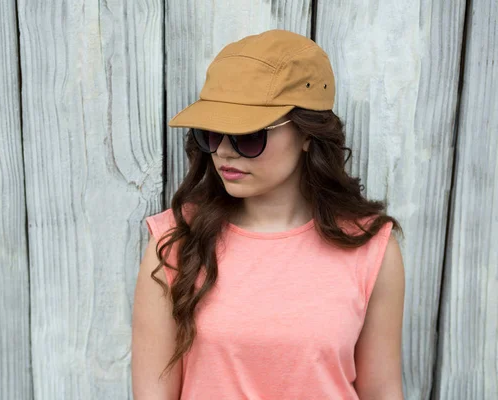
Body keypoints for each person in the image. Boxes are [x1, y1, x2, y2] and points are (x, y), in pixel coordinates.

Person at [132, 29, 405, 400]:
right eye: (211, 133)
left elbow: (382, 390)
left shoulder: (370, 247)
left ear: (308, 133)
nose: (224, 152)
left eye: (249, 136)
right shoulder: (175, 241)